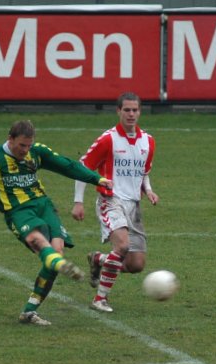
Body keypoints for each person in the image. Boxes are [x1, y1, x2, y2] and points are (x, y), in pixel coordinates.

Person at [0, 120, 112, 326]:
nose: (25, 150)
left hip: (43, 205)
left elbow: (67, 166)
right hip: (18, 211)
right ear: (10, 139)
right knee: (38, 241)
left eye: (29, 145)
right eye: (21, 145)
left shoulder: (37, 152)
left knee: (56, 253)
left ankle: (29, 311)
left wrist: (97, 179)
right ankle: (58, 264)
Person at [71, 92, 159, 313]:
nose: (131, 114)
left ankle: (98, 259)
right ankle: (100, 299)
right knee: (122, 246)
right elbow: (83, 167)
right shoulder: (108, 139)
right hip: (111, 201)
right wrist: (78, 201)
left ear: (140, 112)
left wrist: (148, 190)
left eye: (134, 110)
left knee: (135, 265)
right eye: (126, 110)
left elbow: (143, 172)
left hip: (134, 205)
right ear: (118, 111)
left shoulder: (148, 141)